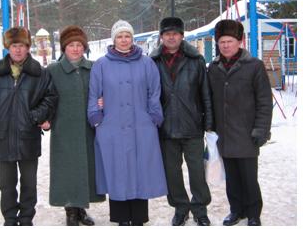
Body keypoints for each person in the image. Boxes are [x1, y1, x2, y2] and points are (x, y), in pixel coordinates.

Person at [87, 20, 167, 226]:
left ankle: (139, 219)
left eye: (127, 36)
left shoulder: (147, 63)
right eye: (120, 36)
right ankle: (121, 219)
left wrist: (154, 117)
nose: (124, 40)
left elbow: (154, 92)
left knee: (141, 171)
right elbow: (94, 93)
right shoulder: (101, 65)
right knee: (117, 171)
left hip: (142, 126)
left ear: (133, 39)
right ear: (114, 39)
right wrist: (96, 116)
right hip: (111, 127)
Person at [0, 27, 58, 226]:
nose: (18, 50)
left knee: (29, 184)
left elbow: (50, 98)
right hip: (2, 138)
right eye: (14, 45)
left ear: (28, 47)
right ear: (8, 47)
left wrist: (35, 116)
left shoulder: (40, 73)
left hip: (28, 137)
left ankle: (26, 219)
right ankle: (10, 219)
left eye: (21, 45)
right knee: (6, 184)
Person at [207, 20, 272, 227]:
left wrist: (261, 130)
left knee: (249, 178)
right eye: (222, 41)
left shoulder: (254, 66)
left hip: (246, 133)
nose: (225, 45)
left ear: (240, 42)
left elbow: (264, 101)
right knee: (232, 179)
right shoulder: (213, 68)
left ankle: (253, 213)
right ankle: (236, 210)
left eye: (230, 41)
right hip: (224, 134)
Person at [149, 17, 213, 226]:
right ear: (161, 37)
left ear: (182, 36)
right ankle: (180, 208)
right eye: (167, 34)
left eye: (175, 33)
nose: (171, 37)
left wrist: (208, 123)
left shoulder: (196, 59)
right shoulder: (153, 61)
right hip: (165, 128)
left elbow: (205, 94)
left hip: (192, 126)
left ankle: (200, 209)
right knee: (172, 174)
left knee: (197, 173)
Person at [43, 26, 103, 226]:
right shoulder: (53, 71)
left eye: (79, 45)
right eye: (71, 45)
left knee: (85, 169)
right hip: (64, 129)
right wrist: (45, 119)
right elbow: (44, 98)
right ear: (64, 48)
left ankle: (82, 210)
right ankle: (70, 211)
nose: (76, 49)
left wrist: (103, 101)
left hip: (88, 129)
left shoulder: (93, 68)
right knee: (67, 171)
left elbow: (103, 91)